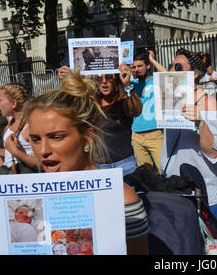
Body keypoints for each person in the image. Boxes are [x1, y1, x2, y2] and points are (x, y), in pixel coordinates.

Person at [24, 71, 149, 255]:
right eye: (35, 139)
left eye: (56, 137)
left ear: (87, 138)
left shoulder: (121, 199)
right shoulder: (29, 198)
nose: (43, 151)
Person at [159, 48, 217, 224]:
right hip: (174, 193)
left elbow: (215, 153)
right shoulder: (169, 99)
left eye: (178, 67)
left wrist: (200, 122)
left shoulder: (208, 102)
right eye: (171, 67)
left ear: (194, 74)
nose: (172, 71)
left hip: (203, 197)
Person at [58, 64, 142, 176]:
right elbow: (70, 108)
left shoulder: (122, 101)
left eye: (108, 76)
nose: (104, 81)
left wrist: (127, 84)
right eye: (98, 77)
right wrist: (69, 79)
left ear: (116, 79)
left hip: (124, 165)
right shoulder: (92, 102)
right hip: (98, 166)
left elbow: (136, 111)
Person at [0, 83, 37, 174]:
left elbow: (41, 163)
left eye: (0, 100)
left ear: (13, 103)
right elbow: (10, 154)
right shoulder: (11, 122)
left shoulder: (30, 128)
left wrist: (15, 152)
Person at [130, 53, 164, 174]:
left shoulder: (156, 80)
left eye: (139, 66)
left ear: (148, 66)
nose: (136, 69)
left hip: (155, 134)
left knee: (163, 171)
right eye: (133, 67)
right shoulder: (130, 84)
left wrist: (152, 60)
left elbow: (171, 76)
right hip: (137, 136)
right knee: (146, 176)